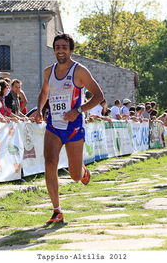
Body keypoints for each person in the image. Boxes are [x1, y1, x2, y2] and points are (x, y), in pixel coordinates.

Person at [35, 33, 104, 224]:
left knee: (74, 176)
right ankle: (57, 211)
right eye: (57, 47)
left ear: (71, 50)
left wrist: (78, 110)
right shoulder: (48, 71)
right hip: (53, 125)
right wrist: (40, 110)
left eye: (64, 47)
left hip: (73, 125)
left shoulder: (79, 71)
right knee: (50, 162)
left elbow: (99, 96)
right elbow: (44, 92)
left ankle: (83, 172)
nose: (60, 50)